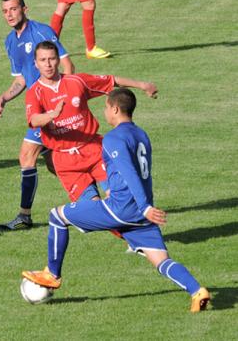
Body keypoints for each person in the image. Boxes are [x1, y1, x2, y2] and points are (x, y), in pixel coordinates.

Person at [22, 88, 211, 313]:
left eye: (106, 107)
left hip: (121, 208)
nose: (104, 112)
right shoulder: (141, 134)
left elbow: (129, 172)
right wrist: (144, 207)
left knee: (57, 216)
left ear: (115, 109)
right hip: (139, 215)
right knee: (162, 261)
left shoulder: (112, 138)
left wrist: (144, 206)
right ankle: (197, 290)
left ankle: (52, 275)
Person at [25, 41, 157, 204]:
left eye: (51, 59)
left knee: (120, 198)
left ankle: (139, 218)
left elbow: (111, 81)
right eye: (43, 60)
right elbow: (34, 120)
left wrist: (142, 85)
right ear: (35, 63)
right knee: (92, 208)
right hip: (66, 161)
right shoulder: (34, 93)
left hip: (94, 150)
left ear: (58, 60)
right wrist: (52, 115)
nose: (48, 64)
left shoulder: (77, 81)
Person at [0, 0, 76, 231]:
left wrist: (64, 101)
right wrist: (4, 98)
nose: (9, 15)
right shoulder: (10, 41)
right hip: (38, 108)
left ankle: (24, 216)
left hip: (51, 109)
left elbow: (68, 65)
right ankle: (92, 200)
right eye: (5, 11)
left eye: (13, 9)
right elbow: (21, 79)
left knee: (27, 156)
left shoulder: (41, 32)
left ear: (24, 9)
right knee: (55, 163)